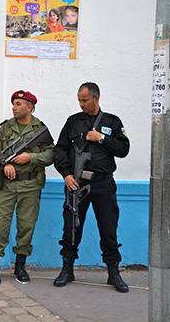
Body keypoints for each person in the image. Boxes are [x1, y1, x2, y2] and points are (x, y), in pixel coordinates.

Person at [53, 82, 130, 293]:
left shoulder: (111, 121)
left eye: (85, 100)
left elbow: (124, 149)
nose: (81, 104)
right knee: (71, 226)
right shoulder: (73, 122)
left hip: (103, 183)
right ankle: (67, 269)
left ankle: (113, 273)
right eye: (79, 100)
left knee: (108, 227)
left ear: (96, 98)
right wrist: (66, 175)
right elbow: (59, 150)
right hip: (76, 183)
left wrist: (102, 139)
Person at [0, 90, 54, 286]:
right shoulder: (6, 128)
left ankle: (20, 266)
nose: (14, 108)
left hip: (31, 185)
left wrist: (30, 157)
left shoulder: (39, 129)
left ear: (29, 107)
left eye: (18, 104)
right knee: (0, 226)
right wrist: (4, 164)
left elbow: (51, 154)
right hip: (7, 186)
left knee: (26, 226)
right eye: (13, 104)